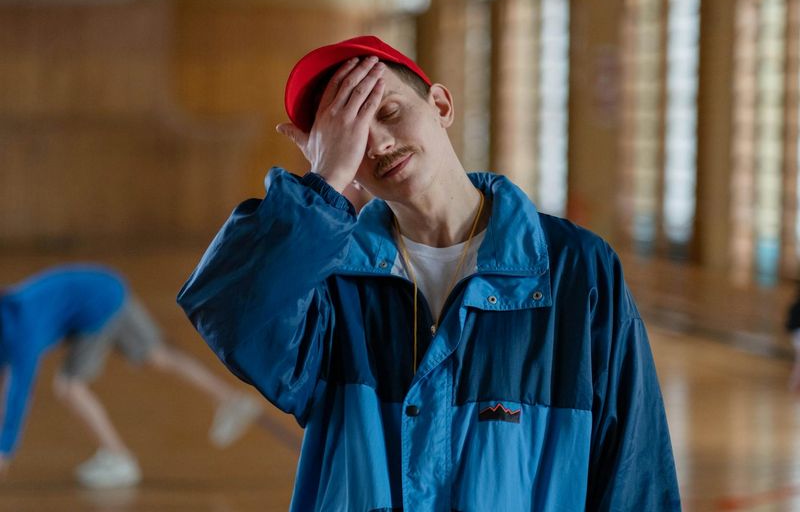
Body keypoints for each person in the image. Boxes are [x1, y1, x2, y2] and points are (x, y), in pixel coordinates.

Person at [177, 35, 681, 510]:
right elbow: (231, 315)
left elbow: (634, 466)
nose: (377, 144)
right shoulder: (330, 284)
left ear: (440, 105)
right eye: (352, 133)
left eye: (389, 112)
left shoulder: (574, 267)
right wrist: (324, 182)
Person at [0, 263, 264, 489]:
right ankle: (230, 399)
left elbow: (18, 392)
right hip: (109, 287)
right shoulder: (9, 313)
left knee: (69, 386)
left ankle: (118, 458)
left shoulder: (20, 332)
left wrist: (4, 450)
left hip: (95, 308)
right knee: (156, 355)